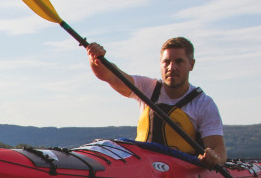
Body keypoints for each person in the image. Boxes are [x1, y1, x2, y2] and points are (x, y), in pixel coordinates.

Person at [86, 37, 226, 167]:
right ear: (160, 63)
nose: (171, 67)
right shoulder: (147, 88)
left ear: (191, 64)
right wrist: (96, 59)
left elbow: (218, 149)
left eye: (179, 61)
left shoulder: (203, 104)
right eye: (166, 62)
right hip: (143, 165)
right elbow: (110, 75)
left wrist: (214, 158)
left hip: (182, 167)